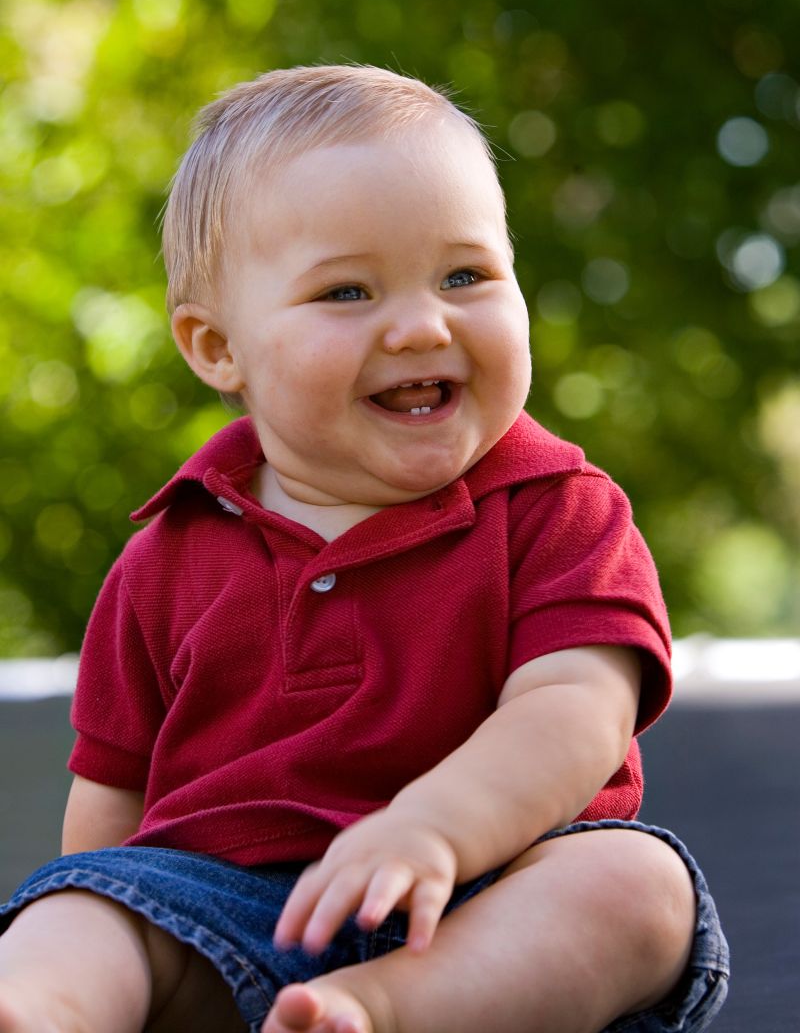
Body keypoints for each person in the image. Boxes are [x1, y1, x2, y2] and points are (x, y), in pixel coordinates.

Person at [0, 65, 729, 1033]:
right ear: (218, 348)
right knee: (75, 912)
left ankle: (378, 1014)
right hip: (223, 914)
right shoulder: (163, 559)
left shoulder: (559, 511)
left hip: (487, 908)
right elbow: (111, 811)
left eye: (464, 275)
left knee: (638, 885)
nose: (423, 323)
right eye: (346, 291)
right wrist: (104, 921)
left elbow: (576, 710)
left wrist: (432, 830)